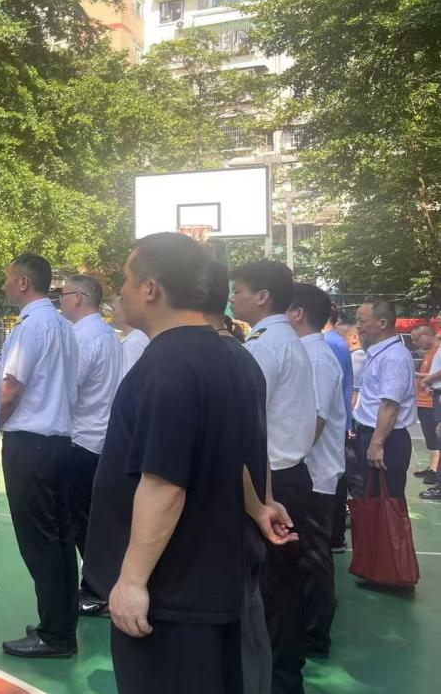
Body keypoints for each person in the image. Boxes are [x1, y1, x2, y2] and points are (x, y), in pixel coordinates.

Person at [83, 233, 287, 694]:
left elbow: (164, 483)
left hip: (171, 595)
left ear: (150, 288)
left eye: (127, 280)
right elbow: (232, 455)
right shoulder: (237, 358)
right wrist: (258, 506)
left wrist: (132, 580)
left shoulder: (167, 366)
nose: (122, 291)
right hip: (216, 585)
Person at [230, 260, 319, 694]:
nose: (232, 298)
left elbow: (245, 419)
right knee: (283, 588)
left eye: (239, 290)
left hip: (271, 485)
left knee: (270, 593)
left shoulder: (264, 346)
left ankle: (279, 683)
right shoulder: (287, 340)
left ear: (262, 297)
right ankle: (284, 678)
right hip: (287, 476)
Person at [0, 253, 80, 659]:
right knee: (60, 538)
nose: (4, 285)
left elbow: (10, 388)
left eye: (8, 278)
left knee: (40, 541)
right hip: (59, 442)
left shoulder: (31, 328)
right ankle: (60, 623)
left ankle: (55, 634)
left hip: (31, 444)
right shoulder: (63, 327)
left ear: (23, 282)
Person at [203, 259, 271, 694]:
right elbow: (255, 446)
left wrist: (259, 506)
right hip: (241, 518)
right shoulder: (241, 356)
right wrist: (263, 504)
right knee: (249, 626)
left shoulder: (213, 360)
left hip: (222, 522)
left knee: (236, 635)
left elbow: (234, 454)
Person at [286, 283, 347, 660]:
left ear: (298, 314)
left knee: (313, 555)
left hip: (314, 473)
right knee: (303, 553)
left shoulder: (318, 359)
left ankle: (315, 634)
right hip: (306, 470)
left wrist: (290, 462)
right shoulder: (305, 353)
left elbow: (317, 420)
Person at [60, 275, 123, 617]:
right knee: (91, 519)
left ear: (79, 298)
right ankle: (99, 586)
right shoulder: (108, 335)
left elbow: (69, 388)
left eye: (64, 294)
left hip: (81, 439)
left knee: (78, 521)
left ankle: (97, 590)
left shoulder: (83, 337)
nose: (61, 300)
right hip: (100, 439)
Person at [352, 300, 416, 502]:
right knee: (373, 500)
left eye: (362, 321)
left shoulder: (393, 357)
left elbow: (389, 404)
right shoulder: (380, 352)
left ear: (382, 323)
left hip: (385, 439)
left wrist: (376, 444)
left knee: (385, 504)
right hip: (374, 435)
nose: (358, 326)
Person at [322, 306, 355, 549]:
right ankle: (335, 534)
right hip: (337, 421)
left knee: (331, 478)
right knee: (336, 475)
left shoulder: (328, 344)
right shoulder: (337, 342)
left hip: (330, 423)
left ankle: (333, 534)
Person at [411, 325, 439, 484]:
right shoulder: (429, 352)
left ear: (427, 334)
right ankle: (432, 466)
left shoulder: (437, 351)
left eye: (416, 339)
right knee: (429, 437)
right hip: (423, 401)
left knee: (434, 437)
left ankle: (435, 470)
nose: (415, 343)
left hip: (430, 401)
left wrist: (419, 376)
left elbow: (436, 374)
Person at [110, 294, 149, 375]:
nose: (111, 313)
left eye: (113, 309)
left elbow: (127, 378)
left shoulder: (133, 343)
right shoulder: (139, 337)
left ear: (126, 311)